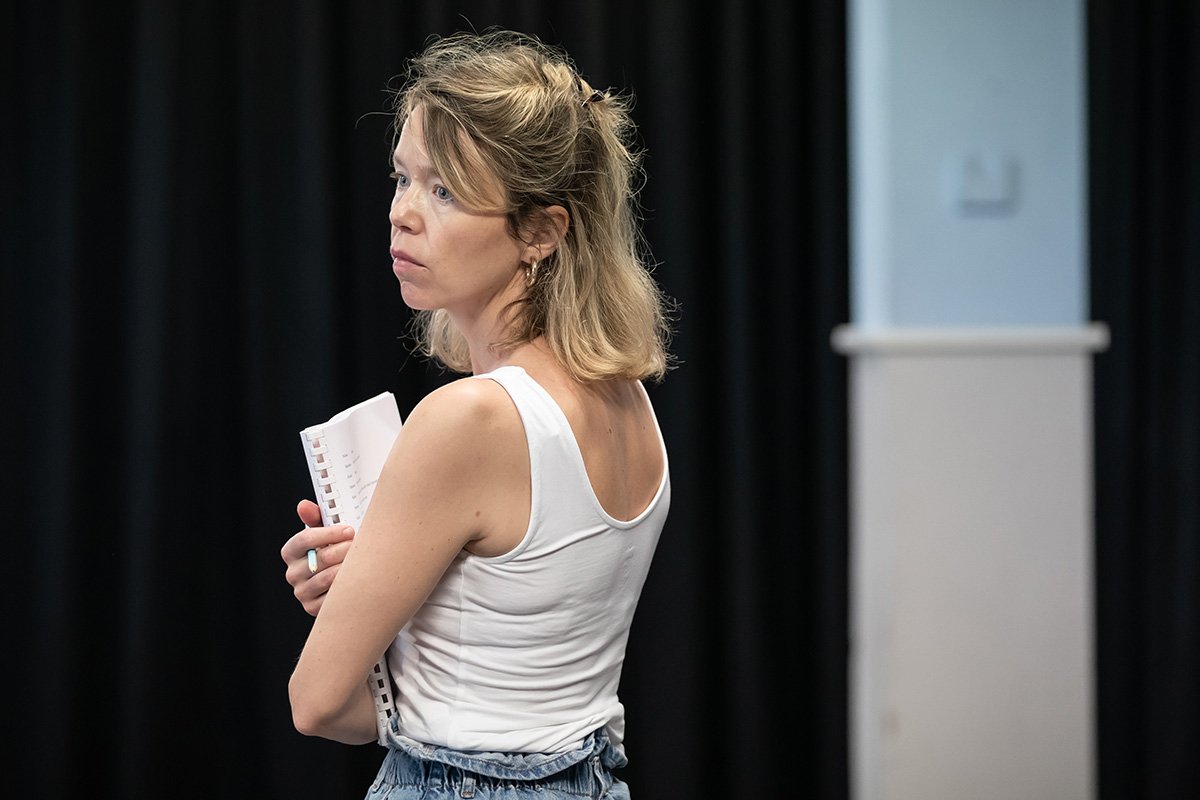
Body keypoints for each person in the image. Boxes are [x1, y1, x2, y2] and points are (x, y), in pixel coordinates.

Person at [280, 29, 673, 799]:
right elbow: (510, 644)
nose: (402, 214)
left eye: (446, 192)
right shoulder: (630, 401)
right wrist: (368, 594)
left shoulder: (468, 419)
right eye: (403, 178)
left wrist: (352, 630)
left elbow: (318, 704)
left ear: (542, 232)